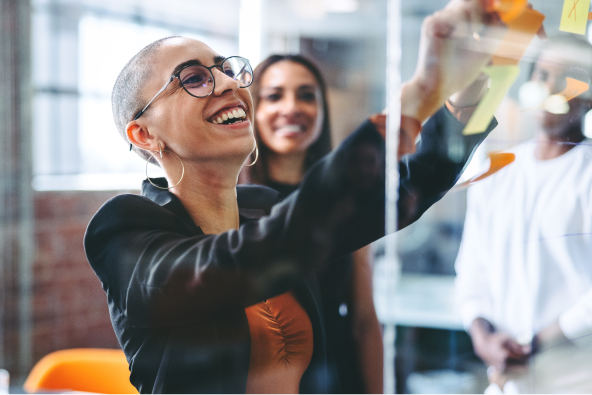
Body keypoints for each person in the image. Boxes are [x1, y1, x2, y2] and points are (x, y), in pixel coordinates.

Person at [84, 1, 501, 393]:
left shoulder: (263, 207)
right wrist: (417, 95)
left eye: (226, 70)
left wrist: (484, 85)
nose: (229, 83)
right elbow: (241, 260)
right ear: (145, 134)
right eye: (193, 78)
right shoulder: (122, 229)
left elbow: (401, 191)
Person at [238, 54, 383, 395]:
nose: (292, 107)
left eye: (306, 95)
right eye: (274, 96)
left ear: (321, 111)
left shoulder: (348, 199)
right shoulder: (232, 204)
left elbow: (364, 320)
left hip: (339, 377)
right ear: (254, 110)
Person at [455, 36, 592, 394]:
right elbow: (472, 270)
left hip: (575, 378)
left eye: (565, 80)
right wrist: (483, 337)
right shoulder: (498, 171)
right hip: (507, 380)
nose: (549, 88)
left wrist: (535, 344)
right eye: (543, 75)